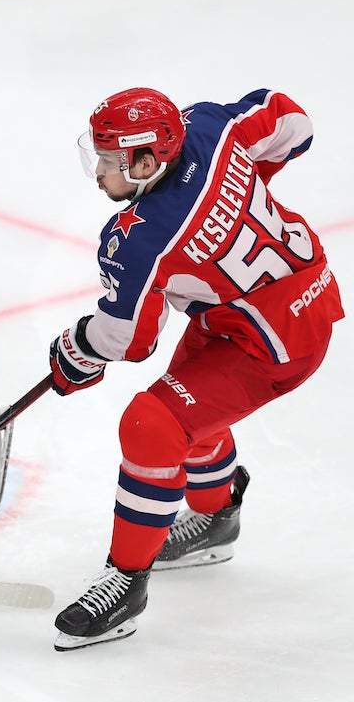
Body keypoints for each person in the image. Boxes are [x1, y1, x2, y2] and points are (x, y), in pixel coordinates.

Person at [48, 88, 344, 651]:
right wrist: (242, 194)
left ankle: (127, 582)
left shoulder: (137, 239)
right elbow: (293, 121)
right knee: (187, 414)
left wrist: (75, 350)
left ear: (146, 161)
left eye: (109, 161)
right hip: (270, 301)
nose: (98, 173)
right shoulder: (206, 128)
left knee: (151, 424)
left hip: (274, 342)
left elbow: (127, 341)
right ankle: (217, 518)